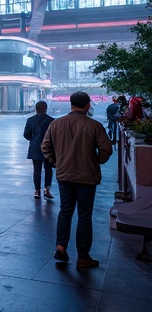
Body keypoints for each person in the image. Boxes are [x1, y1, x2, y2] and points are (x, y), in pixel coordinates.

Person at [41, 90, 113, 269]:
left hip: (64, 175)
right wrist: (95, 161)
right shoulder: (94, 125)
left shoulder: (57, 124)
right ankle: (83, 256)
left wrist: (55, 162)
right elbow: (106, 150)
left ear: (71, 104)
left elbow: (45, 146)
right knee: (84, 215)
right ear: (88, 105)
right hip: (86, 177)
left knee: (65, 211)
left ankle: (60, 248)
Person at [23, 100, 54, 200]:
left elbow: (26, 134)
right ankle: (47, 189)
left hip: (35, 148)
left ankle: (37, 191)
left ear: (36, 109)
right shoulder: (52, 121)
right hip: (48, 148)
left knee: (37, 170)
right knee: (48, 169)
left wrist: (33, 140)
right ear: (46, 109)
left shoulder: (30, 120)